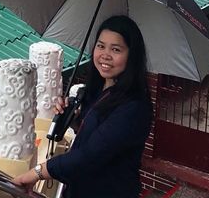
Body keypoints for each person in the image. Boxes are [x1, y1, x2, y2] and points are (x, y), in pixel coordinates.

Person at [13, 15, 153, 197]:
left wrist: (37, 173)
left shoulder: (134, 107)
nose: (105, 55)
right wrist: (72, 118)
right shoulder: (100, 90)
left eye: (116, 49)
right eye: (101, 46)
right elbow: (94, 131)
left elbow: (91, 155)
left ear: (131, 55)